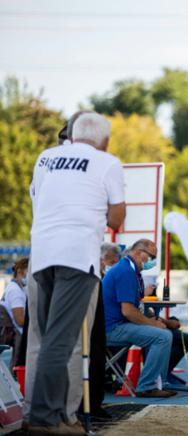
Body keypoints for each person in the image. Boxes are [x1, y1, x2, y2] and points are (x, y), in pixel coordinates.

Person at [27, 112, 126, 433]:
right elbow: (116, 217)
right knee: (61, 341)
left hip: (42, 255)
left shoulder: (46, 158)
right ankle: (45, 418)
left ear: (71, 135)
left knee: (46, 338)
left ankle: (53, 414)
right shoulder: (107, 162)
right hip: (77, 256)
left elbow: (40, 199)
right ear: (105, 140)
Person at [103, 239, 175, 398]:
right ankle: (147, 386)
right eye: (151, 257)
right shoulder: (126, 272)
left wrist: (157, 322)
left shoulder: (130, 270)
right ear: (137, 253)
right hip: (111, 329)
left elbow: (136, 308)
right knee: (162, 337)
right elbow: (128, 311)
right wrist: (153, 324)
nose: (152, 262)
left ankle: (159, 382)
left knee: (160, 333)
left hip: (116, 325)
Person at [85, 242, 121, 420]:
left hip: (98, 329)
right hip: (94, 329)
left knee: (96, 358)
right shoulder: (95, 277)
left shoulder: (102, 277)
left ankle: (93, 404)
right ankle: (90, 406)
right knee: (92, 359)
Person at [0, 258, 28, 368]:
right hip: (16, 338)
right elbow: (20, 321)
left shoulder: (14, 288)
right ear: (20, 271)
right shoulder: (15, 291)